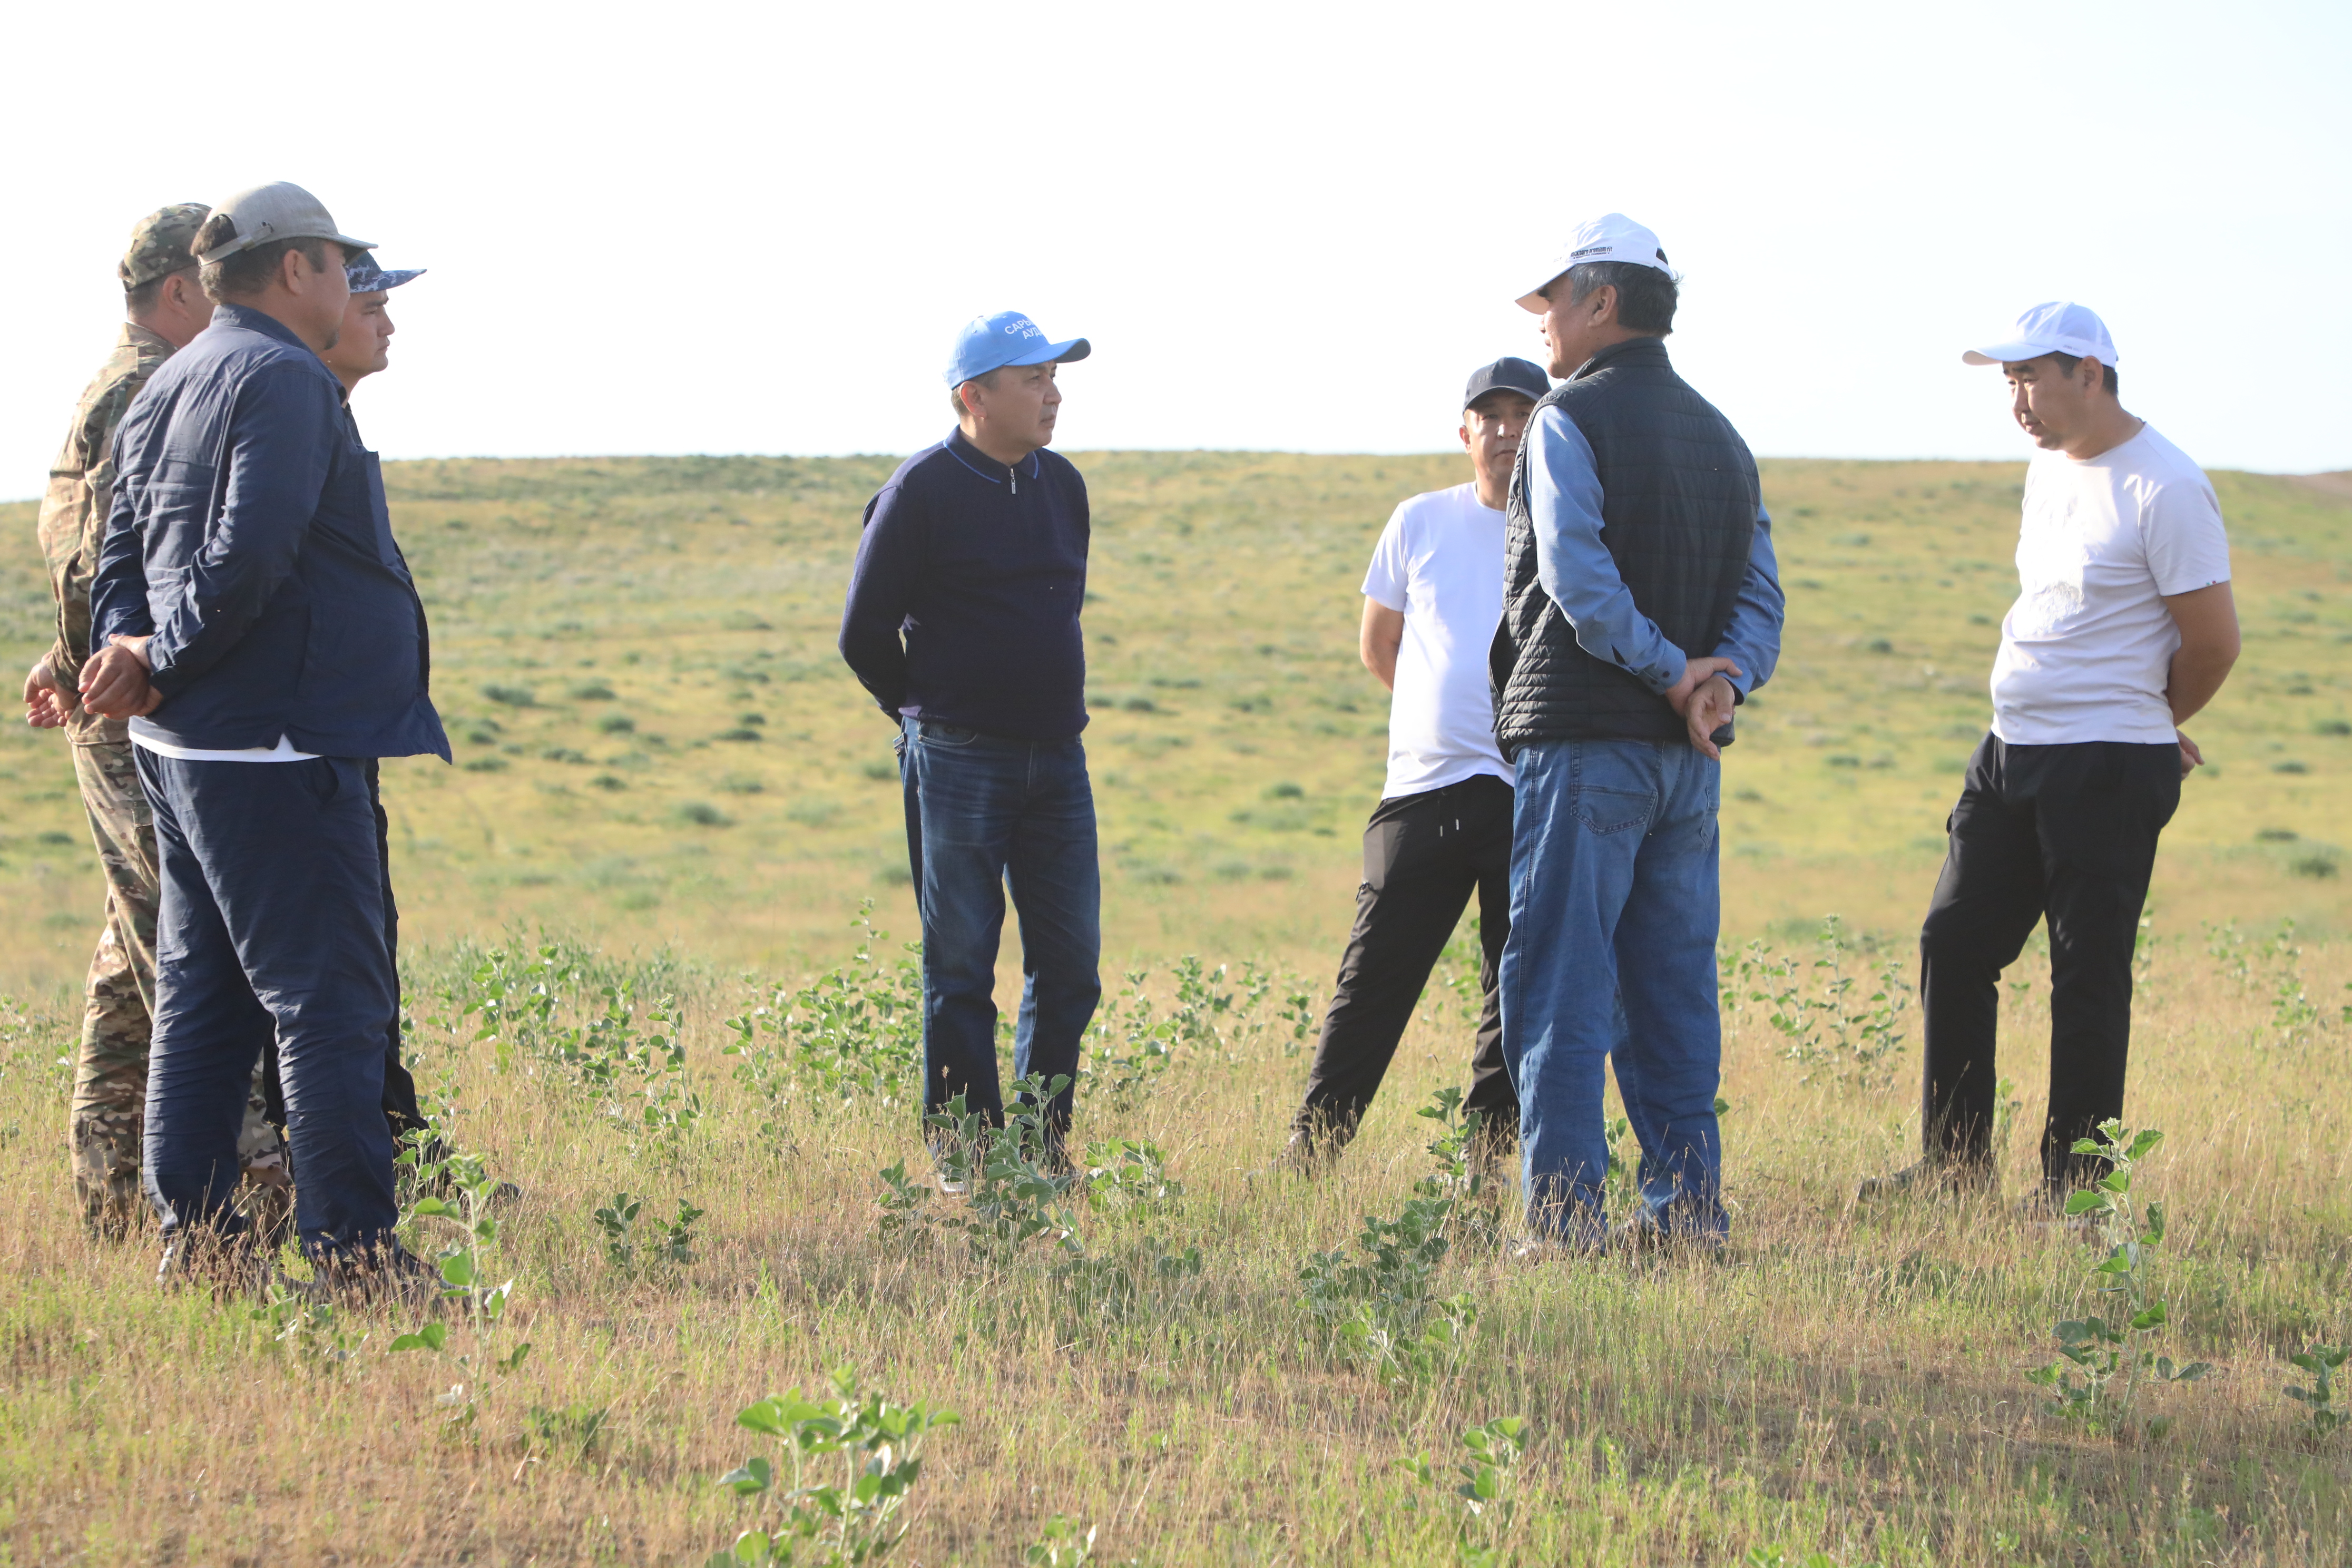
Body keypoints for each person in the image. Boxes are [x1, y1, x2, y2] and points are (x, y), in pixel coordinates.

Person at [84, 181, 449, 1280]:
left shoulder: (175, 373)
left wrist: (135, 652)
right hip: (275, 745)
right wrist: (160, 659)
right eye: (339, 262)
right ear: (297, 268)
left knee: (206, 1003)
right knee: (328, 1001)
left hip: (185, 750)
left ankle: (198, 1246)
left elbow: (119, 549)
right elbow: (249, 552)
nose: (351, 284)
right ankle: (355, 1256)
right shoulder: (282, 376)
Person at [1861, 302, 2236, 1209]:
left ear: (2091, 374)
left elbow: (2214, 642)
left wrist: (2147, 721)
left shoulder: (2166, 485)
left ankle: (2077, 1191)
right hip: (2011, 751)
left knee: (2086, 975)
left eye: (2031, 377)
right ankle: (1954, 1171)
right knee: (1953, 944)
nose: (2017, 400)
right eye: (2009, 381)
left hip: (2104, 766)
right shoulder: (2046, 469)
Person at [1491, 214, 1785, 1249]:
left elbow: (1576, 579)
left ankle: (1566, 1223)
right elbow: (1761, 598)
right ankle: (1689, 1216)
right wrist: (1720, 684)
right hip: (1688, 767)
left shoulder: (1565, 419)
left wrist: (1672, 675)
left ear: (1603, 302)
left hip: (1585, 744)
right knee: (1672, 993)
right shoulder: (1726, 438)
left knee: (1561, 987)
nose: (1544, 322)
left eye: (1554, 300)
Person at [23, 204, 288, 1237]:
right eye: (216, 285)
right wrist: (94, 660)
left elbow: (85, 555)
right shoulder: (147, 387)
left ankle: (112, 1201)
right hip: (134, 707)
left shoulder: (122, 382)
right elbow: (112, 561)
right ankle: (248, 1194)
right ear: (179, 291)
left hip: (110, 692)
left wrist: (66, 656)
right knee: (192, 955)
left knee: (132, 964)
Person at [838, 311, 1100, 1179]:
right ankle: (967, 1155)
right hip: (956, 758)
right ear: (974, 397)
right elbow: (862, 634)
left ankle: (1041, 1146)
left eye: (1054, 377)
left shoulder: (1064, 486)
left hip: (1058, 758)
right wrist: (925, 716)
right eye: (1033, 379)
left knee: (1071, 967)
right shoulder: (920, 492)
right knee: (959, 969)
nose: (1053, 394)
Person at [1287, 358, 1548, 1167]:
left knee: (1514, 991)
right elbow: (1380, 646)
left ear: (1547, 429)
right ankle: (1312, 1151)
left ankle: (1485, 1169)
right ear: (1464, 432)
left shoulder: (1566, 528)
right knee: (1373, 977)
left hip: (1529, 793)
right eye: (1490, 416)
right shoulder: (1419, 520)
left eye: (1523, 415)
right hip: (1424, 790)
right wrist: (1442, 717)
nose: (1506, 430)